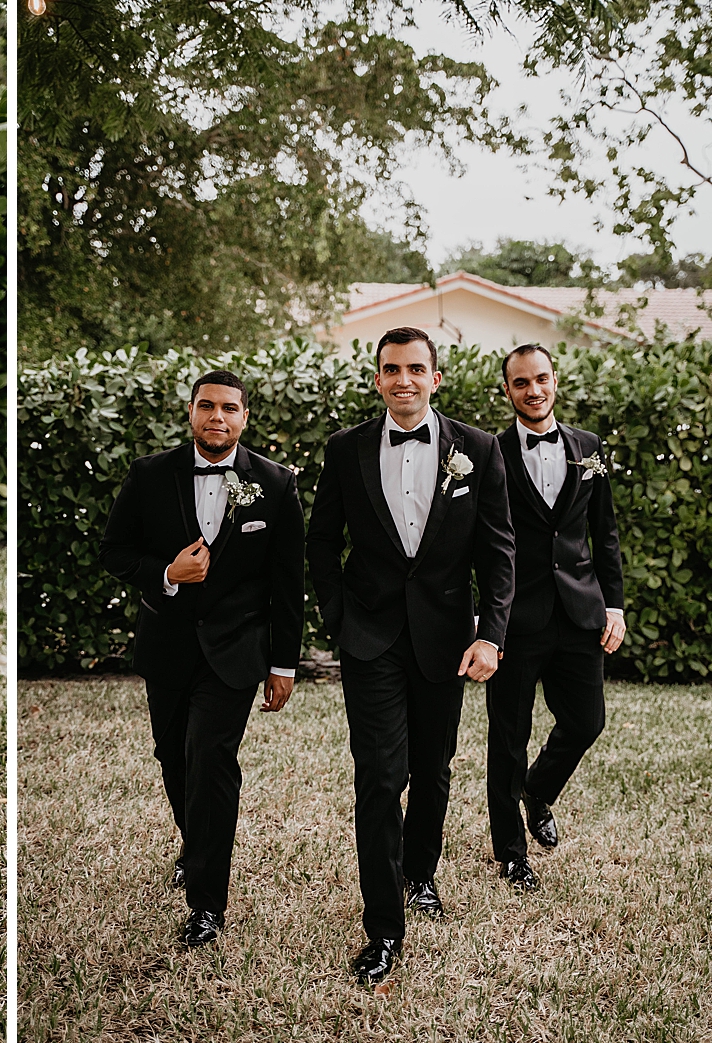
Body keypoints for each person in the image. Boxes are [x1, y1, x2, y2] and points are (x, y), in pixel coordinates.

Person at [306, 326, 515, 987]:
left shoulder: (477, 449)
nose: (404, 380)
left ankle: (420, 872)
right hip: (369, 638)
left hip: (445, 639)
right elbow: (321, 543)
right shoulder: (345, 449)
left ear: (435, 378)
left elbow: (499, 551)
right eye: (392, 369)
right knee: (378, 776)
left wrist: (491, 634)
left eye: (415, 369)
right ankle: (384, 929)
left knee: (432, 767)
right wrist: (338, 616)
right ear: (378, 379)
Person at [99, 370, 306, 949]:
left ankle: (207, 903)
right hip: (167, 645)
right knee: (174, 757)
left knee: (211, 761)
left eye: (229, 408)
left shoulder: (275, 484)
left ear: (245, 417)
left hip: (236, 651)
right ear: (191, 411)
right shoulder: (149, 475)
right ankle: (197, 846)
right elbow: (114, 551)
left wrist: (284, 664)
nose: (218, 417)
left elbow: (289, 583)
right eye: (207, 406)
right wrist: (167, 572)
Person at [486, 343, 625, 892]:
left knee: (587, 722)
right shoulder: (490, 452)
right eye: (521, 382)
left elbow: (604, 533)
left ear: (555, 380)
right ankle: (511, 854)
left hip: (579, 610)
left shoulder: (589, 447)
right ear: (507, 390)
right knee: (508, 739)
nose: (533, 390)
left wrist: (613, 604)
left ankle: (538, 790)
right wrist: (487, 621)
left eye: (540, 378)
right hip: (515, 617)